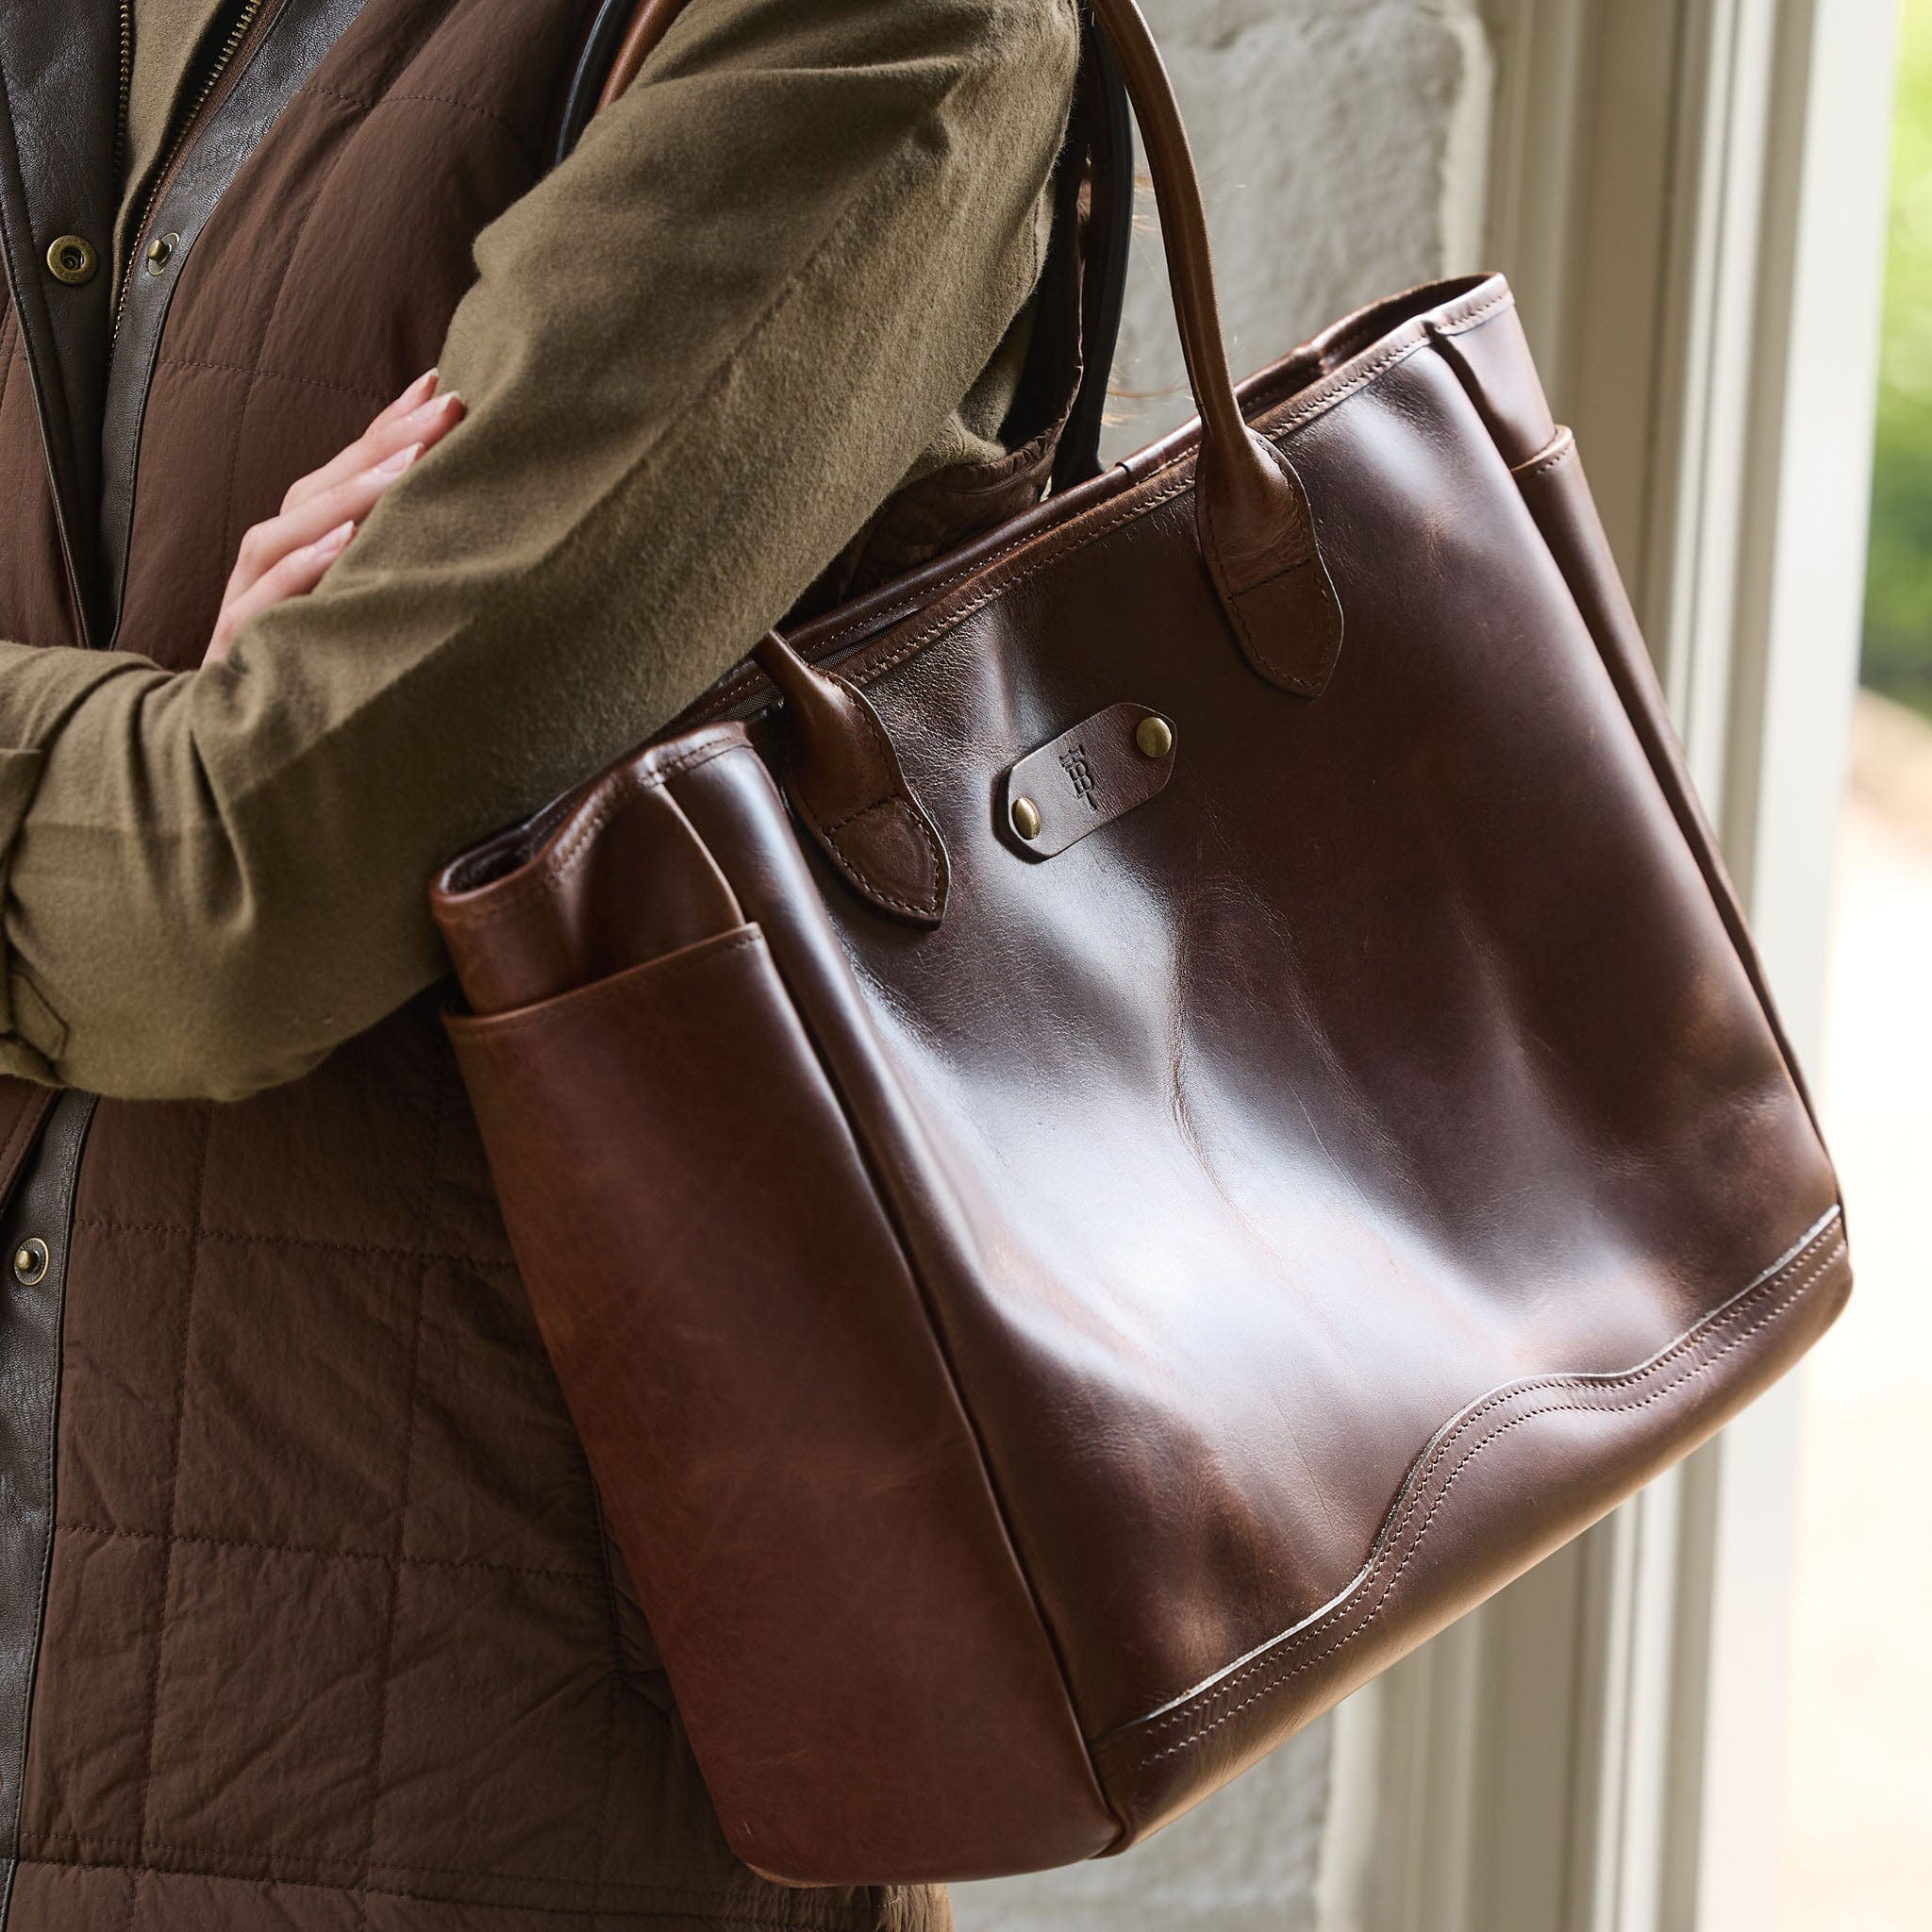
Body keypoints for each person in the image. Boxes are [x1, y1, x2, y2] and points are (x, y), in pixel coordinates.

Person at [0, 0, 1082, 1924]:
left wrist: (209, 786)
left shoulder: (868, 26)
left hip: (463, 1799)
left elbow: (242, 884)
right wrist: (154, 733)